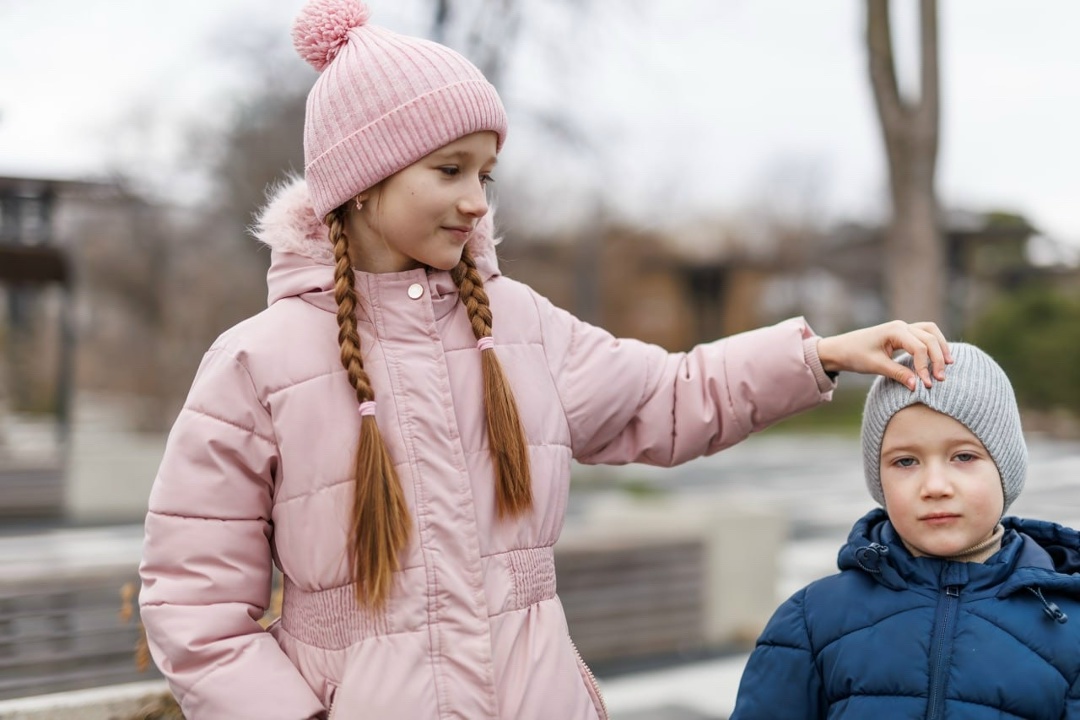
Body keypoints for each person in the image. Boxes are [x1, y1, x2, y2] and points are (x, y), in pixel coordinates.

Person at [137, 1, 951, 718]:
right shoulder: (256, 364)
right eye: (448, 170)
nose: (476, 201)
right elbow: (194, 604)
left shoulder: (520, 325)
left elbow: (665, 397)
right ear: (360, 181)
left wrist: (823, 354)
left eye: (486, 173)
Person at [731, 343, 1080, 719]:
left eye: (963, 456)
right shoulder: (810, 621)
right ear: (878, 479)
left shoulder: (1069, 628)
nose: (934, 485)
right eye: (905, 461)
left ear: (1005, 469)